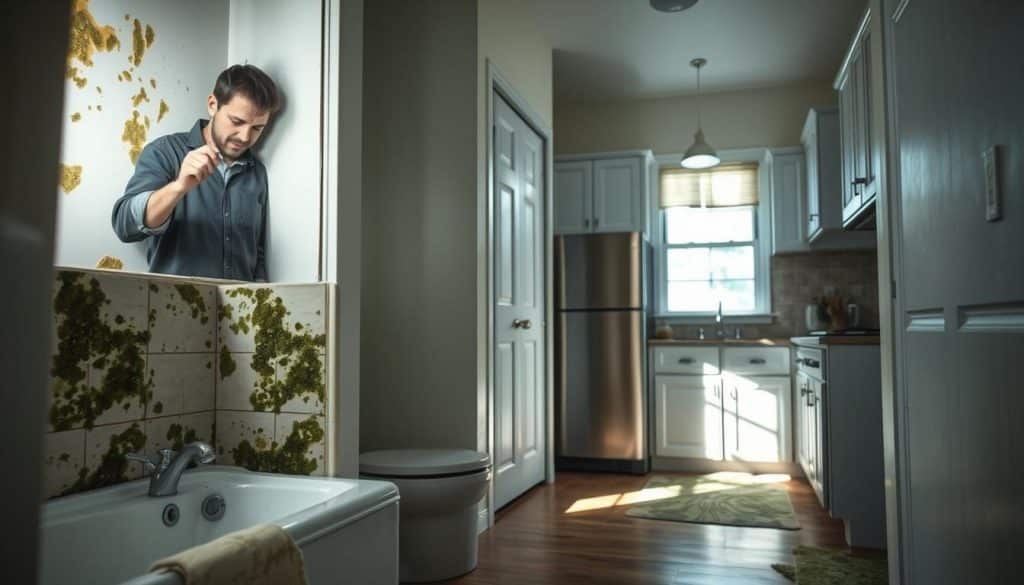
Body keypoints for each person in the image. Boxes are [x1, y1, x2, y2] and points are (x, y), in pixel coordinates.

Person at [111, 64, 281, 281]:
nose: (245, 137)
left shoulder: (257, 173)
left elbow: (257, 252)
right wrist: (178, 187)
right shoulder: (165, 152)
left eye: (258, 128)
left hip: (241, 311)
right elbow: (124, 225)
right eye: (237, 122)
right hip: (173, 307)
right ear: (212, 105)